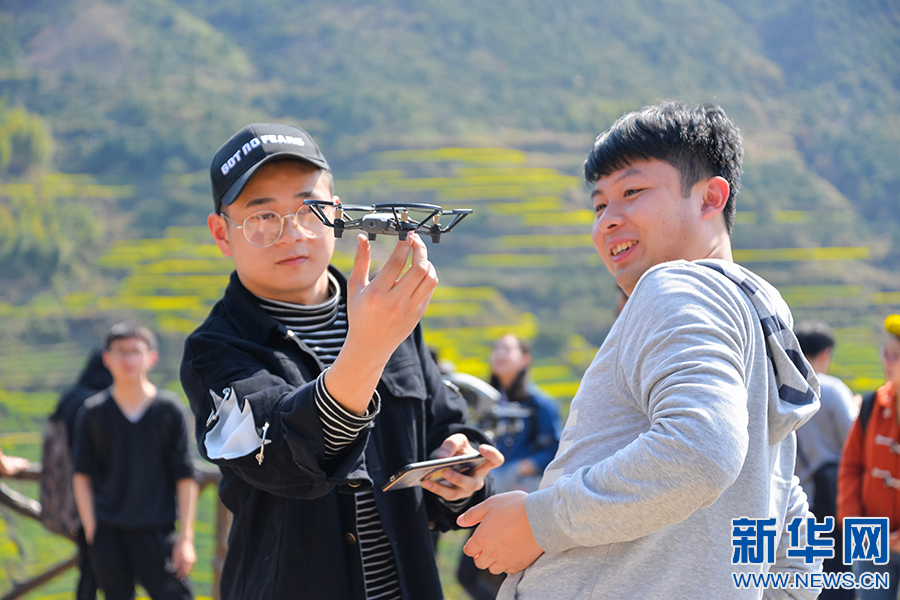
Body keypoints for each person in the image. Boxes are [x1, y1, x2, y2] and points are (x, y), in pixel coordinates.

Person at [458, 101, 822, 599]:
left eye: (632, 191)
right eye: (599, 204)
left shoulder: (676, 287)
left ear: (710, 198)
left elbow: (699, 452)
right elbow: (795, 547)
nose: (608, 220)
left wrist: (536, 522)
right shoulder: (758, 319)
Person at [179, 123, 503, 600]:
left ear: (336, 210)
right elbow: (289, 462)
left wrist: (459, 470)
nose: (294, 234)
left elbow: (440, 430)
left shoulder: (388, 317)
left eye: (311, 209)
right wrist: (368, 347)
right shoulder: (217, 351)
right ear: (222, 234)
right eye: (263, 216)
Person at [72, 323, 197, 600]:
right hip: (109, 531)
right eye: (120, 352)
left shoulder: (170, 410)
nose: (128, 360)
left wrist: (186, 539)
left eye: (135, 352)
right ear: (107, 358)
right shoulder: (93, 413)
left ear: (151, 358)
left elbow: (185, 475)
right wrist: (94, 531)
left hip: (157, 531)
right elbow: (81, 475)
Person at [457, 334, 561, 600]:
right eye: (496, 349)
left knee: (510, 576)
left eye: (507, 349)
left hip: (519, 499)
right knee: (468, 574)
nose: (499, 354)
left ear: (525, 360)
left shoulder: (541, 405)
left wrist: (524, 466)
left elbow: (554, 449)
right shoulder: (487, 405)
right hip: (489, 497)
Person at [837, 314, 900, 600]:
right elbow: (851, 466)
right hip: (870, 536)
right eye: (885, 353)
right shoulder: (873, 405)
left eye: (895, 355)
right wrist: (854, 524)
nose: (886, 361)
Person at [793, 321, 857, 600]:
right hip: (836, 500)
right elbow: (855, 444)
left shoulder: (779, 390)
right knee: (842, 576)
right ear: (825, 354)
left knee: (804, 577)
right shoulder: (830, 389)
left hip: (794, 502)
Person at [42, 349, 112, 600]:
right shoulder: (98, 403)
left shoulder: (70, 397)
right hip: (98, 500)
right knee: (102, 570)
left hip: (71, 497)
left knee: (89, 567)